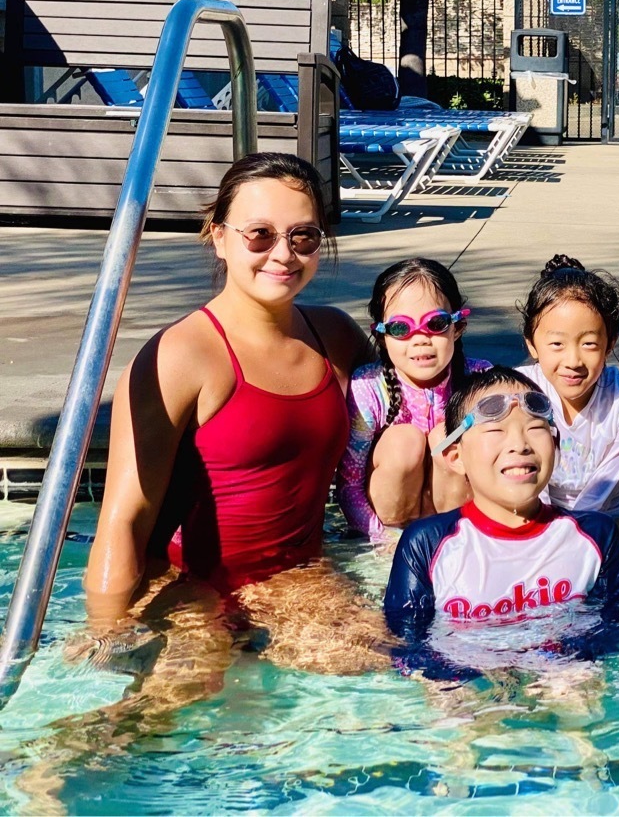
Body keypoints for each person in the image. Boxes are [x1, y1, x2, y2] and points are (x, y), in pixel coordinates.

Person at [73, 153, 389, 753]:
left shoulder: (336, 337)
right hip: (188, 584)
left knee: (377, 681)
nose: (283, 254)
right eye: (260, 234)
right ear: (218, 236)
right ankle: (49, 780)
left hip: (297, 579)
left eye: (303, 236)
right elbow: (123, 517)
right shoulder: (179, 356)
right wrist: (110, 631)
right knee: (165, 709)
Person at [384, 367, 619, 676]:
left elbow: (611, 628)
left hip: (561, 677)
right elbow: (406, 644)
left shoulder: (595, 536)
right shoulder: (426, 544)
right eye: (496, 431)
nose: (520, 445)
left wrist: (559, 663)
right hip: (464, 680)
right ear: (456, 457)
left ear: (555, 446)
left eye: (535, 428)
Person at [338, 258, 490, 541]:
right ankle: (397, 534)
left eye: (436, 323)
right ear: (381, 337)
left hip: (455, 517)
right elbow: (349, 484)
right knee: (404, 441)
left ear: (458, 327)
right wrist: (381, 539)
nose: (420, 339)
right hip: (389, 525)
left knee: (446, 437)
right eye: (400, 328)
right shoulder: (370, 387)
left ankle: (456, 534)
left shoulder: (481, 380)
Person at [516, 255, 619, 513]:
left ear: (609, 344)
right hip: (541, 518)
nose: (573, 361)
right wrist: (543, 528)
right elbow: (527, 482)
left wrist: (569, 530)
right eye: (557, 344)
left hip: (612, 519)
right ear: (532, 345)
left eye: (589, 343)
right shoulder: (519, 392)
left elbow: (602, 492)